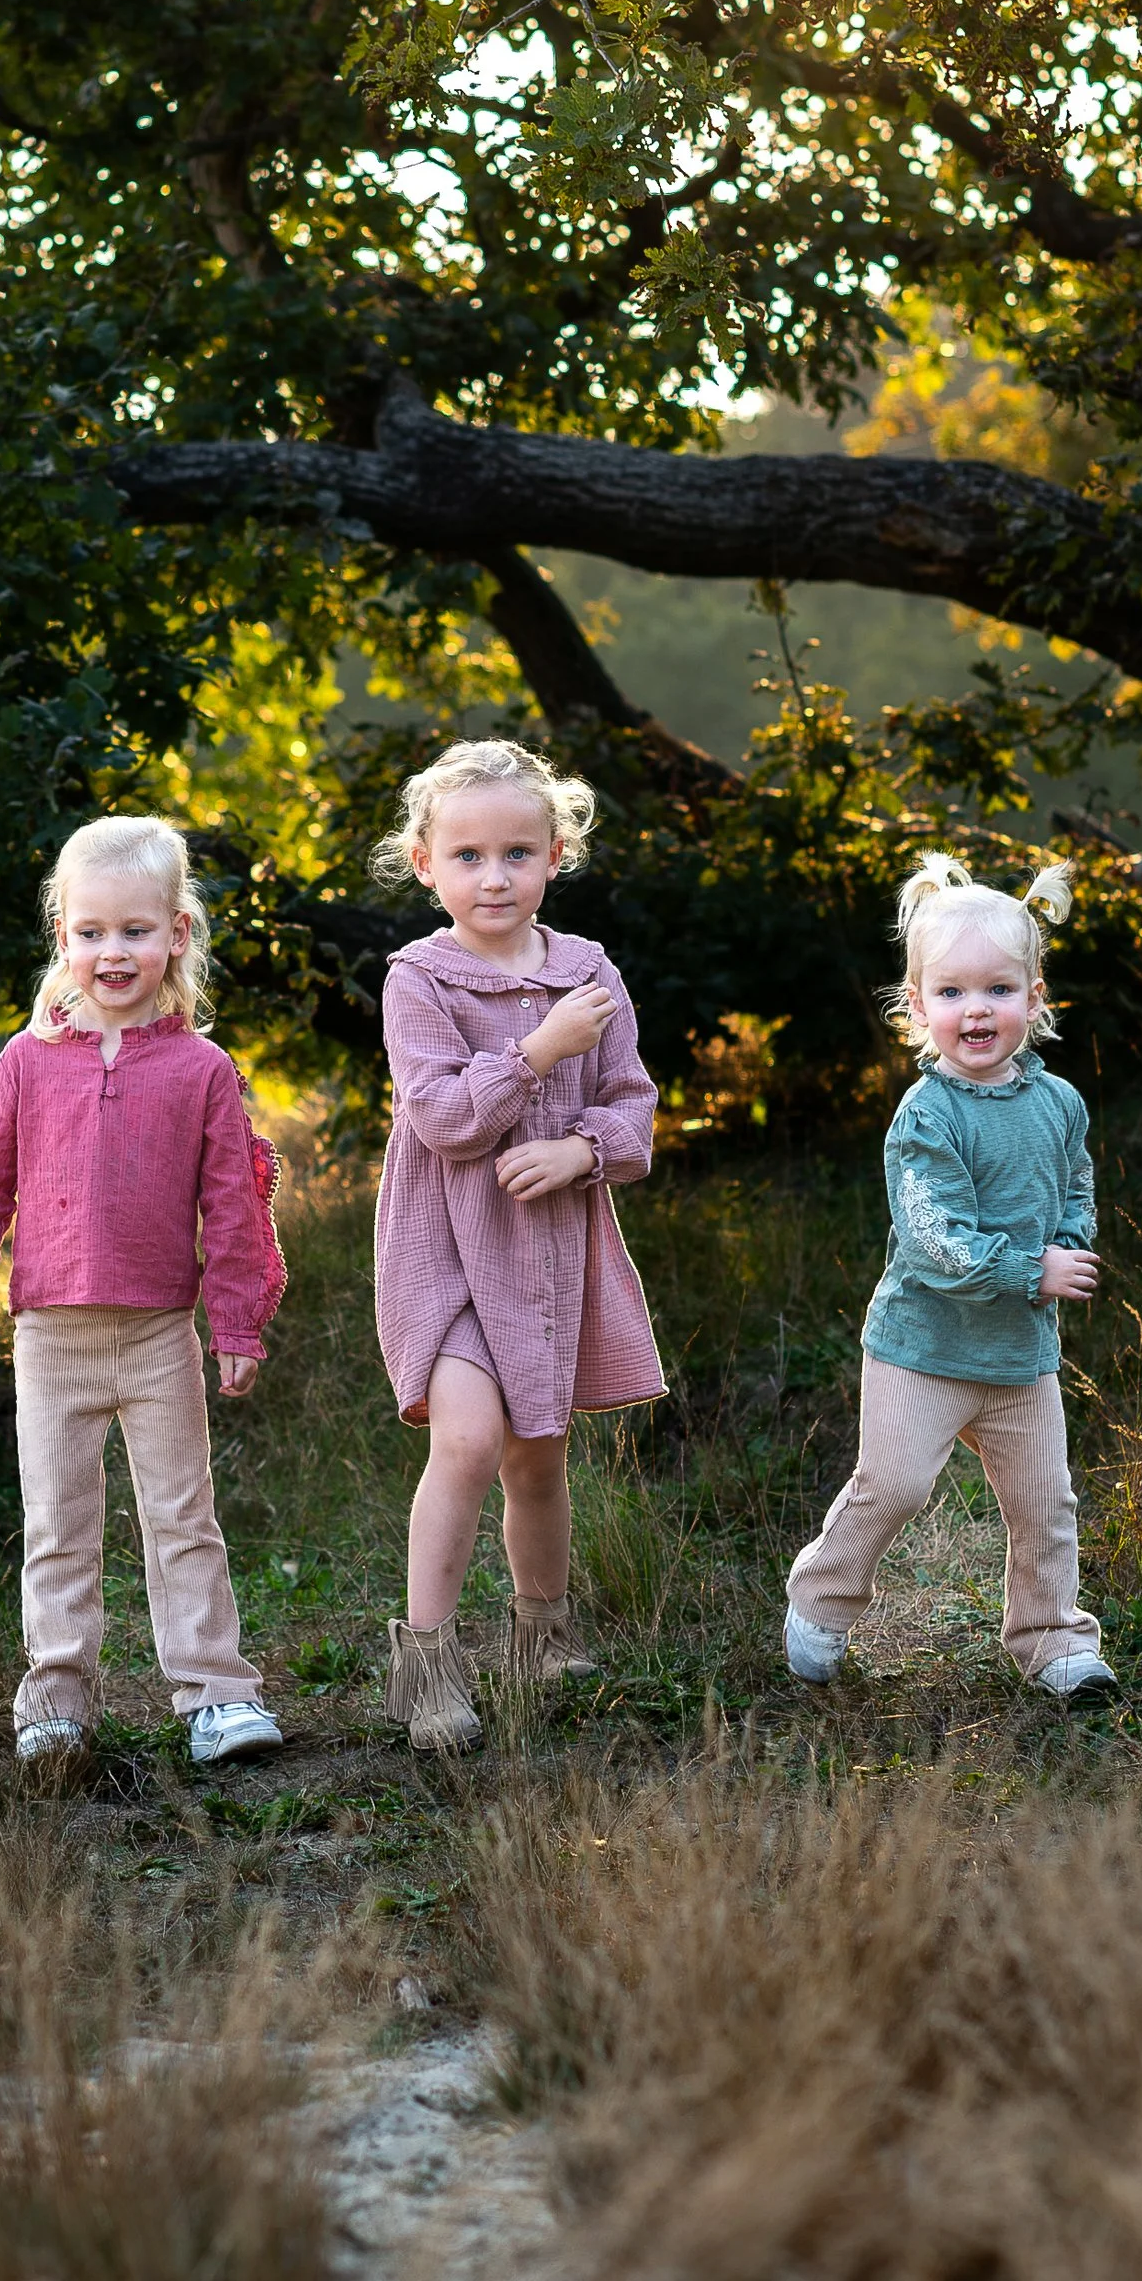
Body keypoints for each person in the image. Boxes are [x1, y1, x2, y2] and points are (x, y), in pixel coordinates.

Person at [0, 815, 288, 1766]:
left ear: (177, 933)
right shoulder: (25, 1061)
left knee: (181, 1515)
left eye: (134, 930)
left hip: (160, 1333)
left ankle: (214, 1692)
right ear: (63, 939)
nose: (111, 952)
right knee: (58, 1520)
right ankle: (59, 1698)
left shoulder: (202, 1071)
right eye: (90, 932)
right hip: (49, 1335)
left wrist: (237, 1321)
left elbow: (234, 1205)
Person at [371, 739, 663, 1753]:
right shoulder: (420, 980)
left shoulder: (589, 974)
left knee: (537, 1458)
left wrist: (580, 1153)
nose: (491, 878)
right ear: (424, 864)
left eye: (515, 854)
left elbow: (635, 1111)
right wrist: (537, 1053)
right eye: (466, 857)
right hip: (444, 1252)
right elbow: (446, 1119)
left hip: (543, 1256)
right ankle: (429, 1665)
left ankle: (542, 1635)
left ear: (554, 854)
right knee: (465, 1441)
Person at [784, 854, 1117, 1701]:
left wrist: (1069, 1241)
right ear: (917, 1004)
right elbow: (935, 1238)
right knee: (892, 1486)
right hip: (921, 1346)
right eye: (952, 992)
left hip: (1017, 1355)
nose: (977, 1010)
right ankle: (821, 1599)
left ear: (1035, 997)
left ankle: (1053, 1639)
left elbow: (1074, 1180)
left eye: (1000, 990)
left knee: (1046, 1506)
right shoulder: (927, 1114)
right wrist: (1028, 1267)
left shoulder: (1060, 1102)